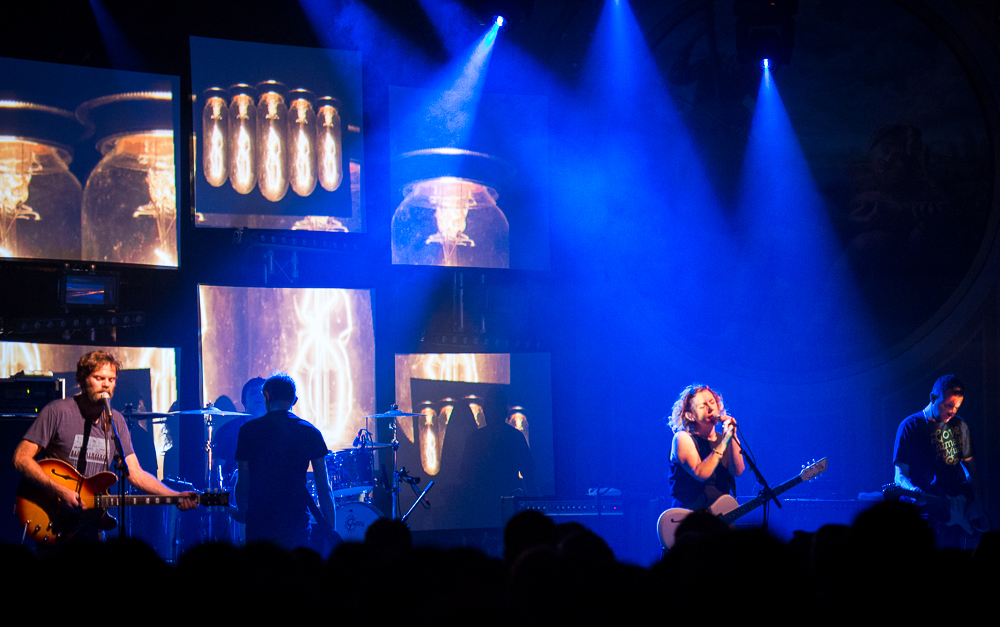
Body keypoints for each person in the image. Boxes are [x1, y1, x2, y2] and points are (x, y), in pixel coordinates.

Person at [12, 351, 198, 542]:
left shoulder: (115, 421)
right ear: (83, 380)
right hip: (54, 518)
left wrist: (175, 495)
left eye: (111, 379)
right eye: (99, 378)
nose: (106, 384)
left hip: (91, 525)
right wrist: (60, 491)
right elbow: (21, 459)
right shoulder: (57, 412)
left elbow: (135, 473)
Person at [234, 372, 337, 549]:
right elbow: (324, 488)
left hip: (259, 523)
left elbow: (243, 484)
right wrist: (331, 531)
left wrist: (244, 518)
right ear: (294, 400)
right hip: (296, 523)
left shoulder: (248, 431)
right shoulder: (310, 431)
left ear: (267, 395)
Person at [893, 374, 984, 545]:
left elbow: (972, 472)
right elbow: (899, 476)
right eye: (948, 405)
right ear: (933, 398)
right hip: (922, 516)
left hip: (954, 514)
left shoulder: (960, 426)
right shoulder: (910, 426)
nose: (952, 412)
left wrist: (978, 500)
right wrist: (913, 490)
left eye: (957, 407)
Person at [667, 384, 744, 510]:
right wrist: (724, 443)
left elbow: (738, 470)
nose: (710, 408)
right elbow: (701, 473)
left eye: (712, 402)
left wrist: (732, 436)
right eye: (703, 406)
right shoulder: (682, 438)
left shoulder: (723, 439)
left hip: (721, 516)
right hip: (691, 517)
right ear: (690, 415)